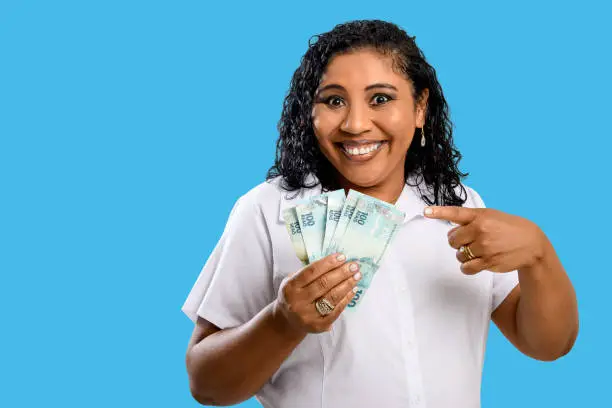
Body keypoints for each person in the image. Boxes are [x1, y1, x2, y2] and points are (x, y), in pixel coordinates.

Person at [181, 19, 579, 408]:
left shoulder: (460, 206)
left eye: (381, 99)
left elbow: (548, 345)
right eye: (334, 100)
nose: (356, 124)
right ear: (310, 112)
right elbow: (207, 383)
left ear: (420, 108)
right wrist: (283, 322)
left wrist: (540, 257)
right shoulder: (267, 211)